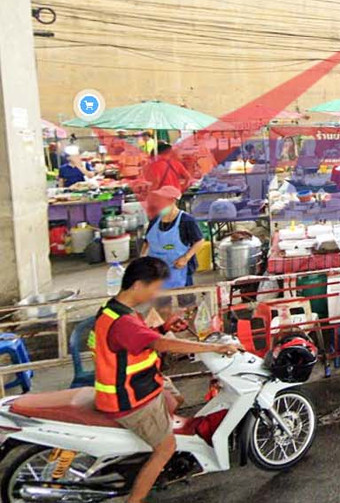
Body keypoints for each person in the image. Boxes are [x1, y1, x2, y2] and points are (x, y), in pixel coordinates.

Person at [92, 257, 239, 503]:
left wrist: (164, 326)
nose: (157, 293)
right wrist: (211, 348)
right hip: (131, 399)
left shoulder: (114, 310)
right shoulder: (124, 321)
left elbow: (143, 340)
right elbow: (162, 345)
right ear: (138, 285)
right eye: (155, 287)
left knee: (176, 399)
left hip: (143, 385)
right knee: (166, 447)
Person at [140, 186, 204, 288]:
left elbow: (199, 241)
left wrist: (185, 258)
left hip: (178, 269)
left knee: (184, 301)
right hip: (157, 272)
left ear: (173, 201)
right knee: (162, 302)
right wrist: (142, 258)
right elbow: (147, 241)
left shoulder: (186, 220)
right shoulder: (155, 219)